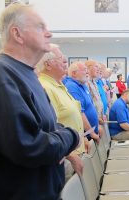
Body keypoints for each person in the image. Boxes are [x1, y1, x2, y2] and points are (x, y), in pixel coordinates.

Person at [0, 3, 81, 199]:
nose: (49, 33)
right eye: (41, 27)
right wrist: (72, 137)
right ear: (17, 34)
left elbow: (48, 127)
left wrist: (62, 140)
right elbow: (27, 146)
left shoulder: (27, 73)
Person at [37, 44, 91, 181]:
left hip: (76, 151)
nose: (65, 63)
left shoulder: (60, 85)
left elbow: (72, 116)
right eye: (62, 59)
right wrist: (71, 155)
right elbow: (50, 128)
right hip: (67, 158)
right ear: (48, 65)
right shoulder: (45, 87)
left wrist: (83, 137)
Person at [64, 61, 100, 143]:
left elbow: (90, 106)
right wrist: (92, 133)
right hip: (87, 135)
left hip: (92, 132)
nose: (87, 72)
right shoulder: (71, 86)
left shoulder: (82, 84)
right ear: (74, 73)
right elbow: (80, 112)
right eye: (84, 70)